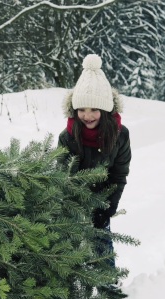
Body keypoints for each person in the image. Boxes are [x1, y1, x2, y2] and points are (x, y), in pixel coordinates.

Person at [57, 54, 131, 268]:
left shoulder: (120, 135)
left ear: (106, 110)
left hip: (101, 199)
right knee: (71, 246)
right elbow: (62, 173)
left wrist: (107, 206)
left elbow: (119, 173)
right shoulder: (67, 136)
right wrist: (69, 205)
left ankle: (107, 282)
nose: (87, 115)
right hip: (73, 202)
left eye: (94, 109)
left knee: (100, 242)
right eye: (81, 109)